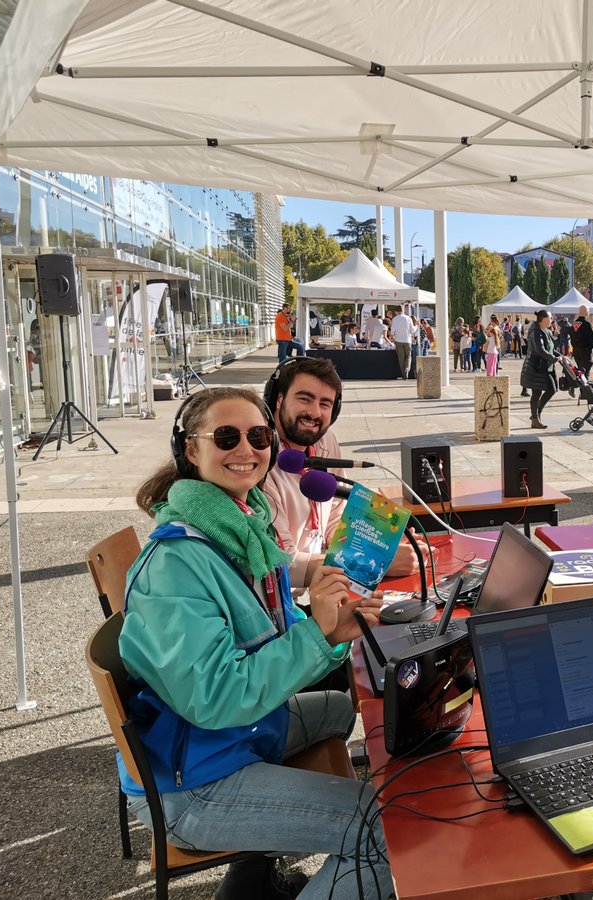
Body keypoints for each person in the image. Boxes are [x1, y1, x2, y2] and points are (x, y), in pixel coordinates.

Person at [122, 387, 391, 900]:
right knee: (385, 829)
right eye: (226, 436)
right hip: (194, 783)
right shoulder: (177, 565)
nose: (246, 449)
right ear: (190, 451)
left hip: (224, 738)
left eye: (258, 435)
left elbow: (277, 636)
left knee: (337, 708)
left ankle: (249, 883)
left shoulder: (240, 529)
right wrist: (316, 635)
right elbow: (216, 697)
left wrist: (331, 630)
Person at [262, 357, 420, 595]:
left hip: (323, 587)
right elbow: (282, 564)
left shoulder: (325, 439)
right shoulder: (260, 462)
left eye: (325, 404)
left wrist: (378, 546)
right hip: (286, 603)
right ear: (278, 398)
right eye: (304, 399)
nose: (314, 412)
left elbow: (338, 513)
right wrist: (372, 564)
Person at [520, 309, 557, 429]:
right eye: (550, 318)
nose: (551, 320)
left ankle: (536, 414)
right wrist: (553, 358)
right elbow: (539, 349)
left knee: (552, 389)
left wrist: (559, 356)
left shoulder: (546, 331)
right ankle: (535, 418)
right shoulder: (535, 331)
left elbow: (550, 348)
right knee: (537, 393)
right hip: (536, 367)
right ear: (543, 319)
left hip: (546, 366)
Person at [569, 305, 593, 376]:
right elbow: (592, 338)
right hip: (586, 352)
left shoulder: (573, 325)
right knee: (585, 373)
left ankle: (582, 386)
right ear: (586, 312)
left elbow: (572, 337)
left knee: (580, 372)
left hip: (576, 352)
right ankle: (584, 387)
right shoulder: (587, 324)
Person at [390, 306, 415, 379]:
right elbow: (412, 330)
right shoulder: (408, 318)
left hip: (398, 340)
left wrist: (392, 336)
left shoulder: (395, 319)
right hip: (408, 340)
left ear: (396, 312)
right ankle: (407, 370)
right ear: (402, 310)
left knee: (401, 358)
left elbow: (392, 331)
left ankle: (404, 375)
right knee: (408, 356)